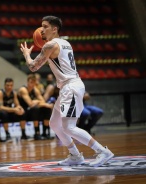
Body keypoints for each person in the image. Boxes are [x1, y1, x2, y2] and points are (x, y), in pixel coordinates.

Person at [20, 15, 114, 167]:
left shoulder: (50, 46)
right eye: (41, 26)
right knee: (54, 124)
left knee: (68, 127)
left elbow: (33, 67)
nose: (41, 30)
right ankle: (75, 156)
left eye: (45, 26)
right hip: (68, 86)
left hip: (70, 87)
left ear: (54, 29)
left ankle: (102, 151)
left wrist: (26, 55)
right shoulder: (65, 43)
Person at [17, 74, 53, 140]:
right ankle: (36, 133)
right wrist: (38, 102)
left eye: (34, 82)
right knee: (35, 109)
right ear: (27, 82)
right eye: (31, 82)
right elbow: (30, 104)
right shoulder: (23, 89)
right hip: (22, 110)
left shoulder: (35, 89)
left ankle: (46, 133)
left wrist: (37, 102)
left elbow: (42, 101)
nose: (32, 84)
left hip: (31, 109)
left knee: (46, 109)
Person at [0, 78, 24, 142]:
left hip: (10, 111)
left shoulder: (13, 93)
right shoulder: (0, 93)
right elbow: (1, 107)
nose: (9, 87)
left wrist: (20, 109)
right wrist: (14, 109)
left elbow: (17, 105)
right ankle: (7, 134)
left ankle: (23, 133)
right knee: (4, 113)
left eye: (11, 85)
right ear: (4, 85)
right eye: (8, 85)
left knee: (22, 113)